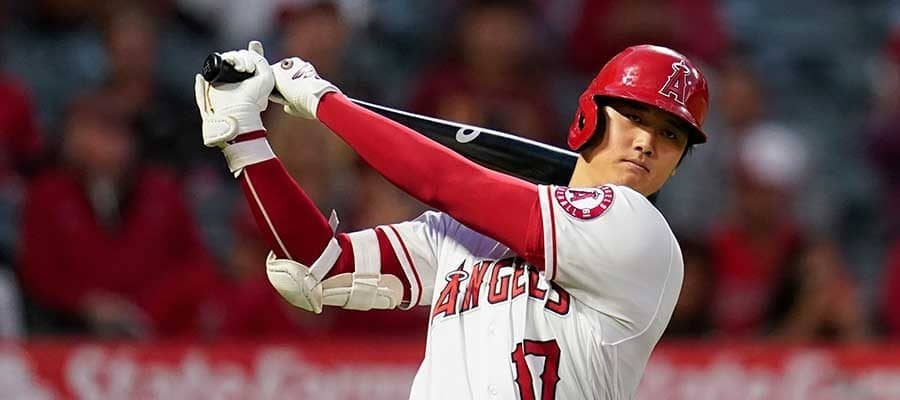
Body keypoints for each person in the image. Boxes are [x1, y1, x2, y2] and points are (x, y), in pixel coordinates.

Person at [195, 41, 709, 399]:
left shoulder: (640, 232)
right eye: (634, 117)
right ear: (590, 115)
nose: (646, 142)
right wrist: (244, 140)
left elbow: (449, 184)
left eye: (670, 135)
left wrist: (325, 102)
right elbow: (321, 266)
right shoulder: (465, 233)